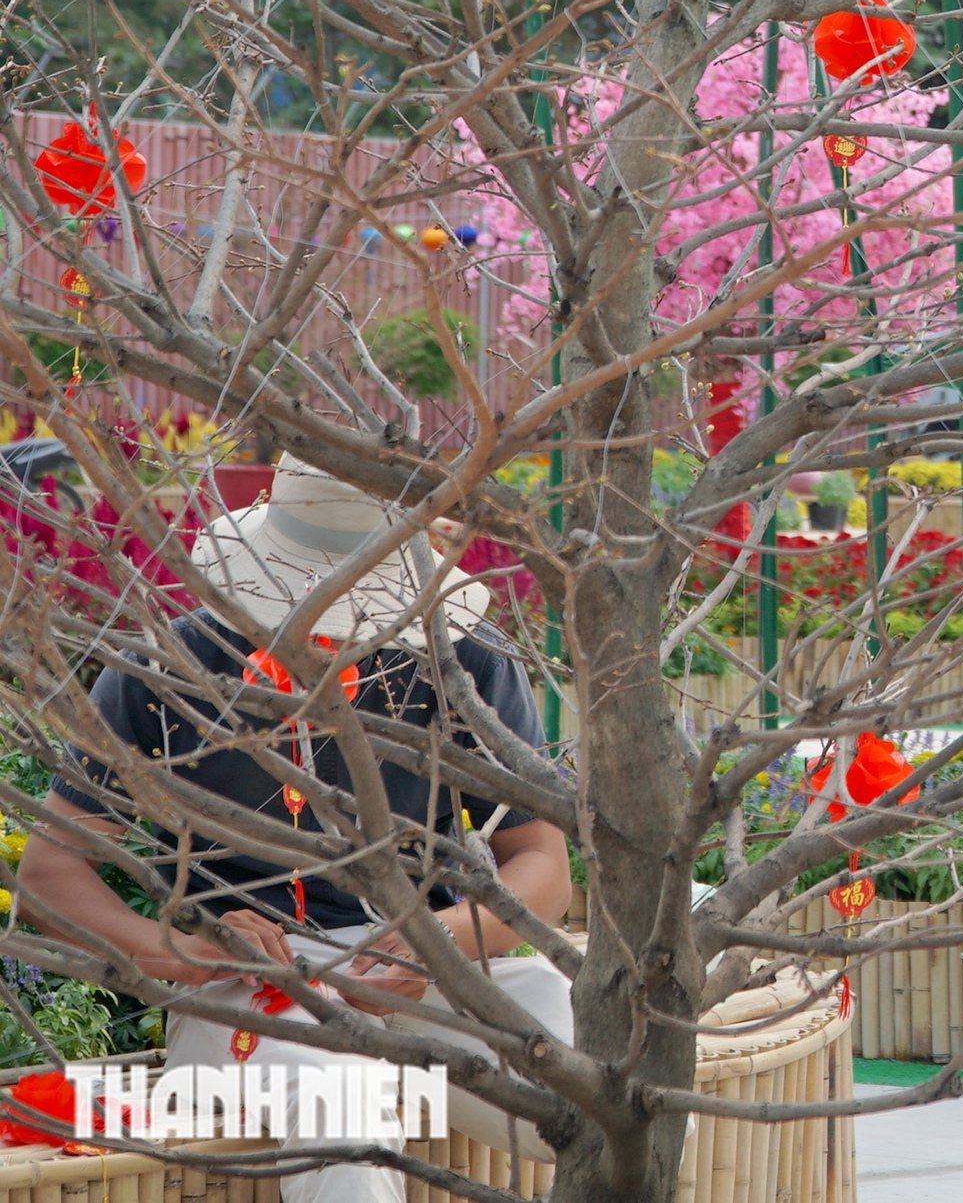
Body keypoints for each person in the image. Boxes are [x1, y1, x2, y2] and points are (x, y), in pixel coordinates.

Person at [21, 457, 575, 1203]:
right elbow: (47, 875)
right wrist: (179, 949)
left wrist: (443, 938)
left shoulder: (460, 664)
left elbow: (542, 861)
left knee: (587, 1071)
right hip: (244, 987)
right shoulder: (165, 669)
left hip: (429, 968)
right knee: (340, 1104)